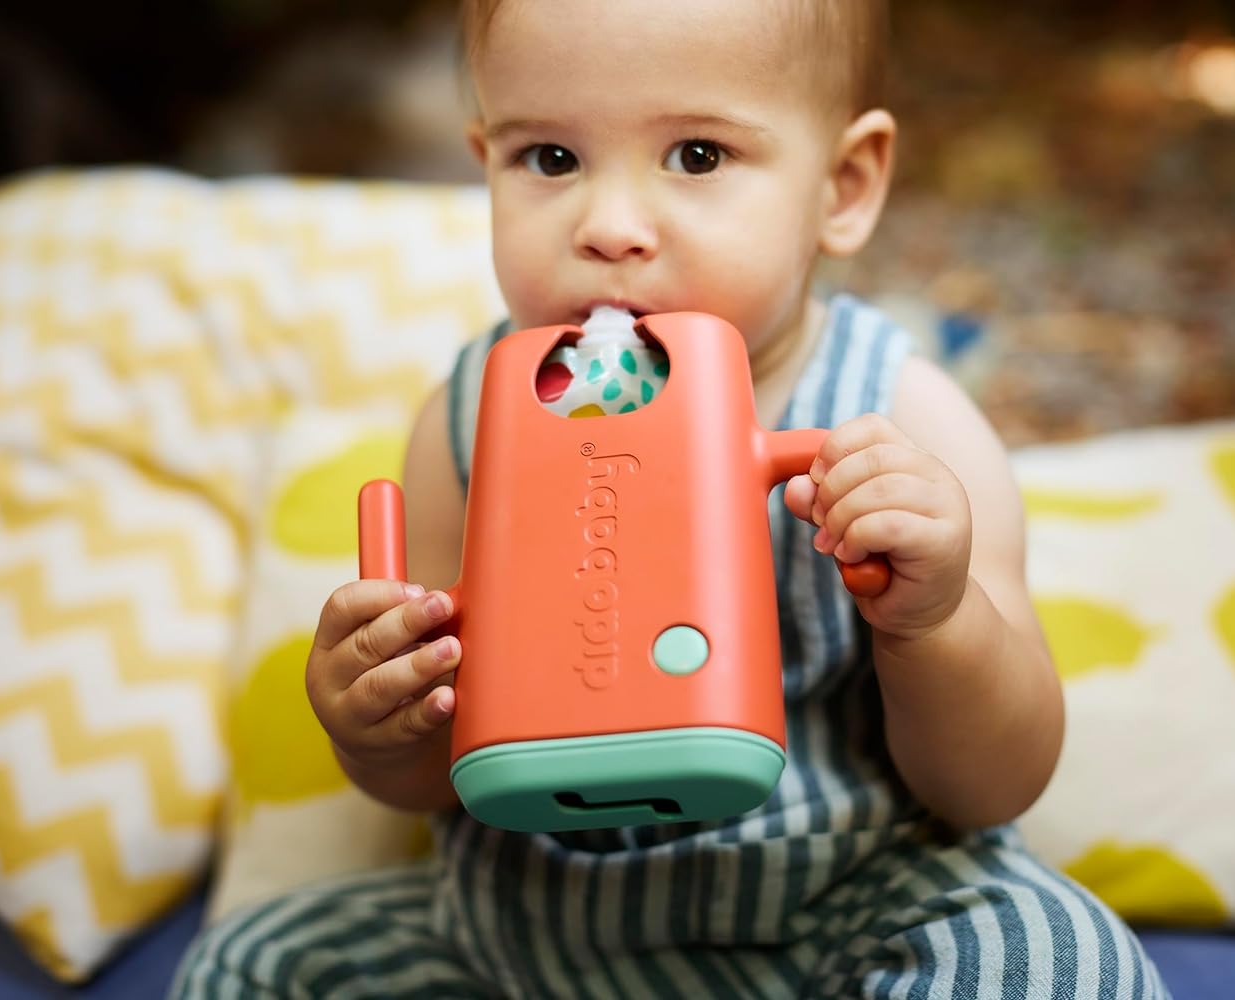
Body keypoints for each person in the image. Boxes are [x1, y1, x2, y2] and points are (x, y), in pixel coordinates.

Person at [173, 1, 1171, 996]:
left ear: (843, 187)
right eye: (550, 159)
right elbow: (433, 768)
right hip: (529, 929)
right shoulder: (469, 418)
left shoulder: (898, 417)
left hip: (847, 907)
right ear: (485, 165)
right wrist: (377, 720)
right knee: (252, 966)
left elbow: (994, 784)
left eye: (696, 156)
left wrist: (937, 617)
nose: (607, 227)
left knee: (1058, 958)